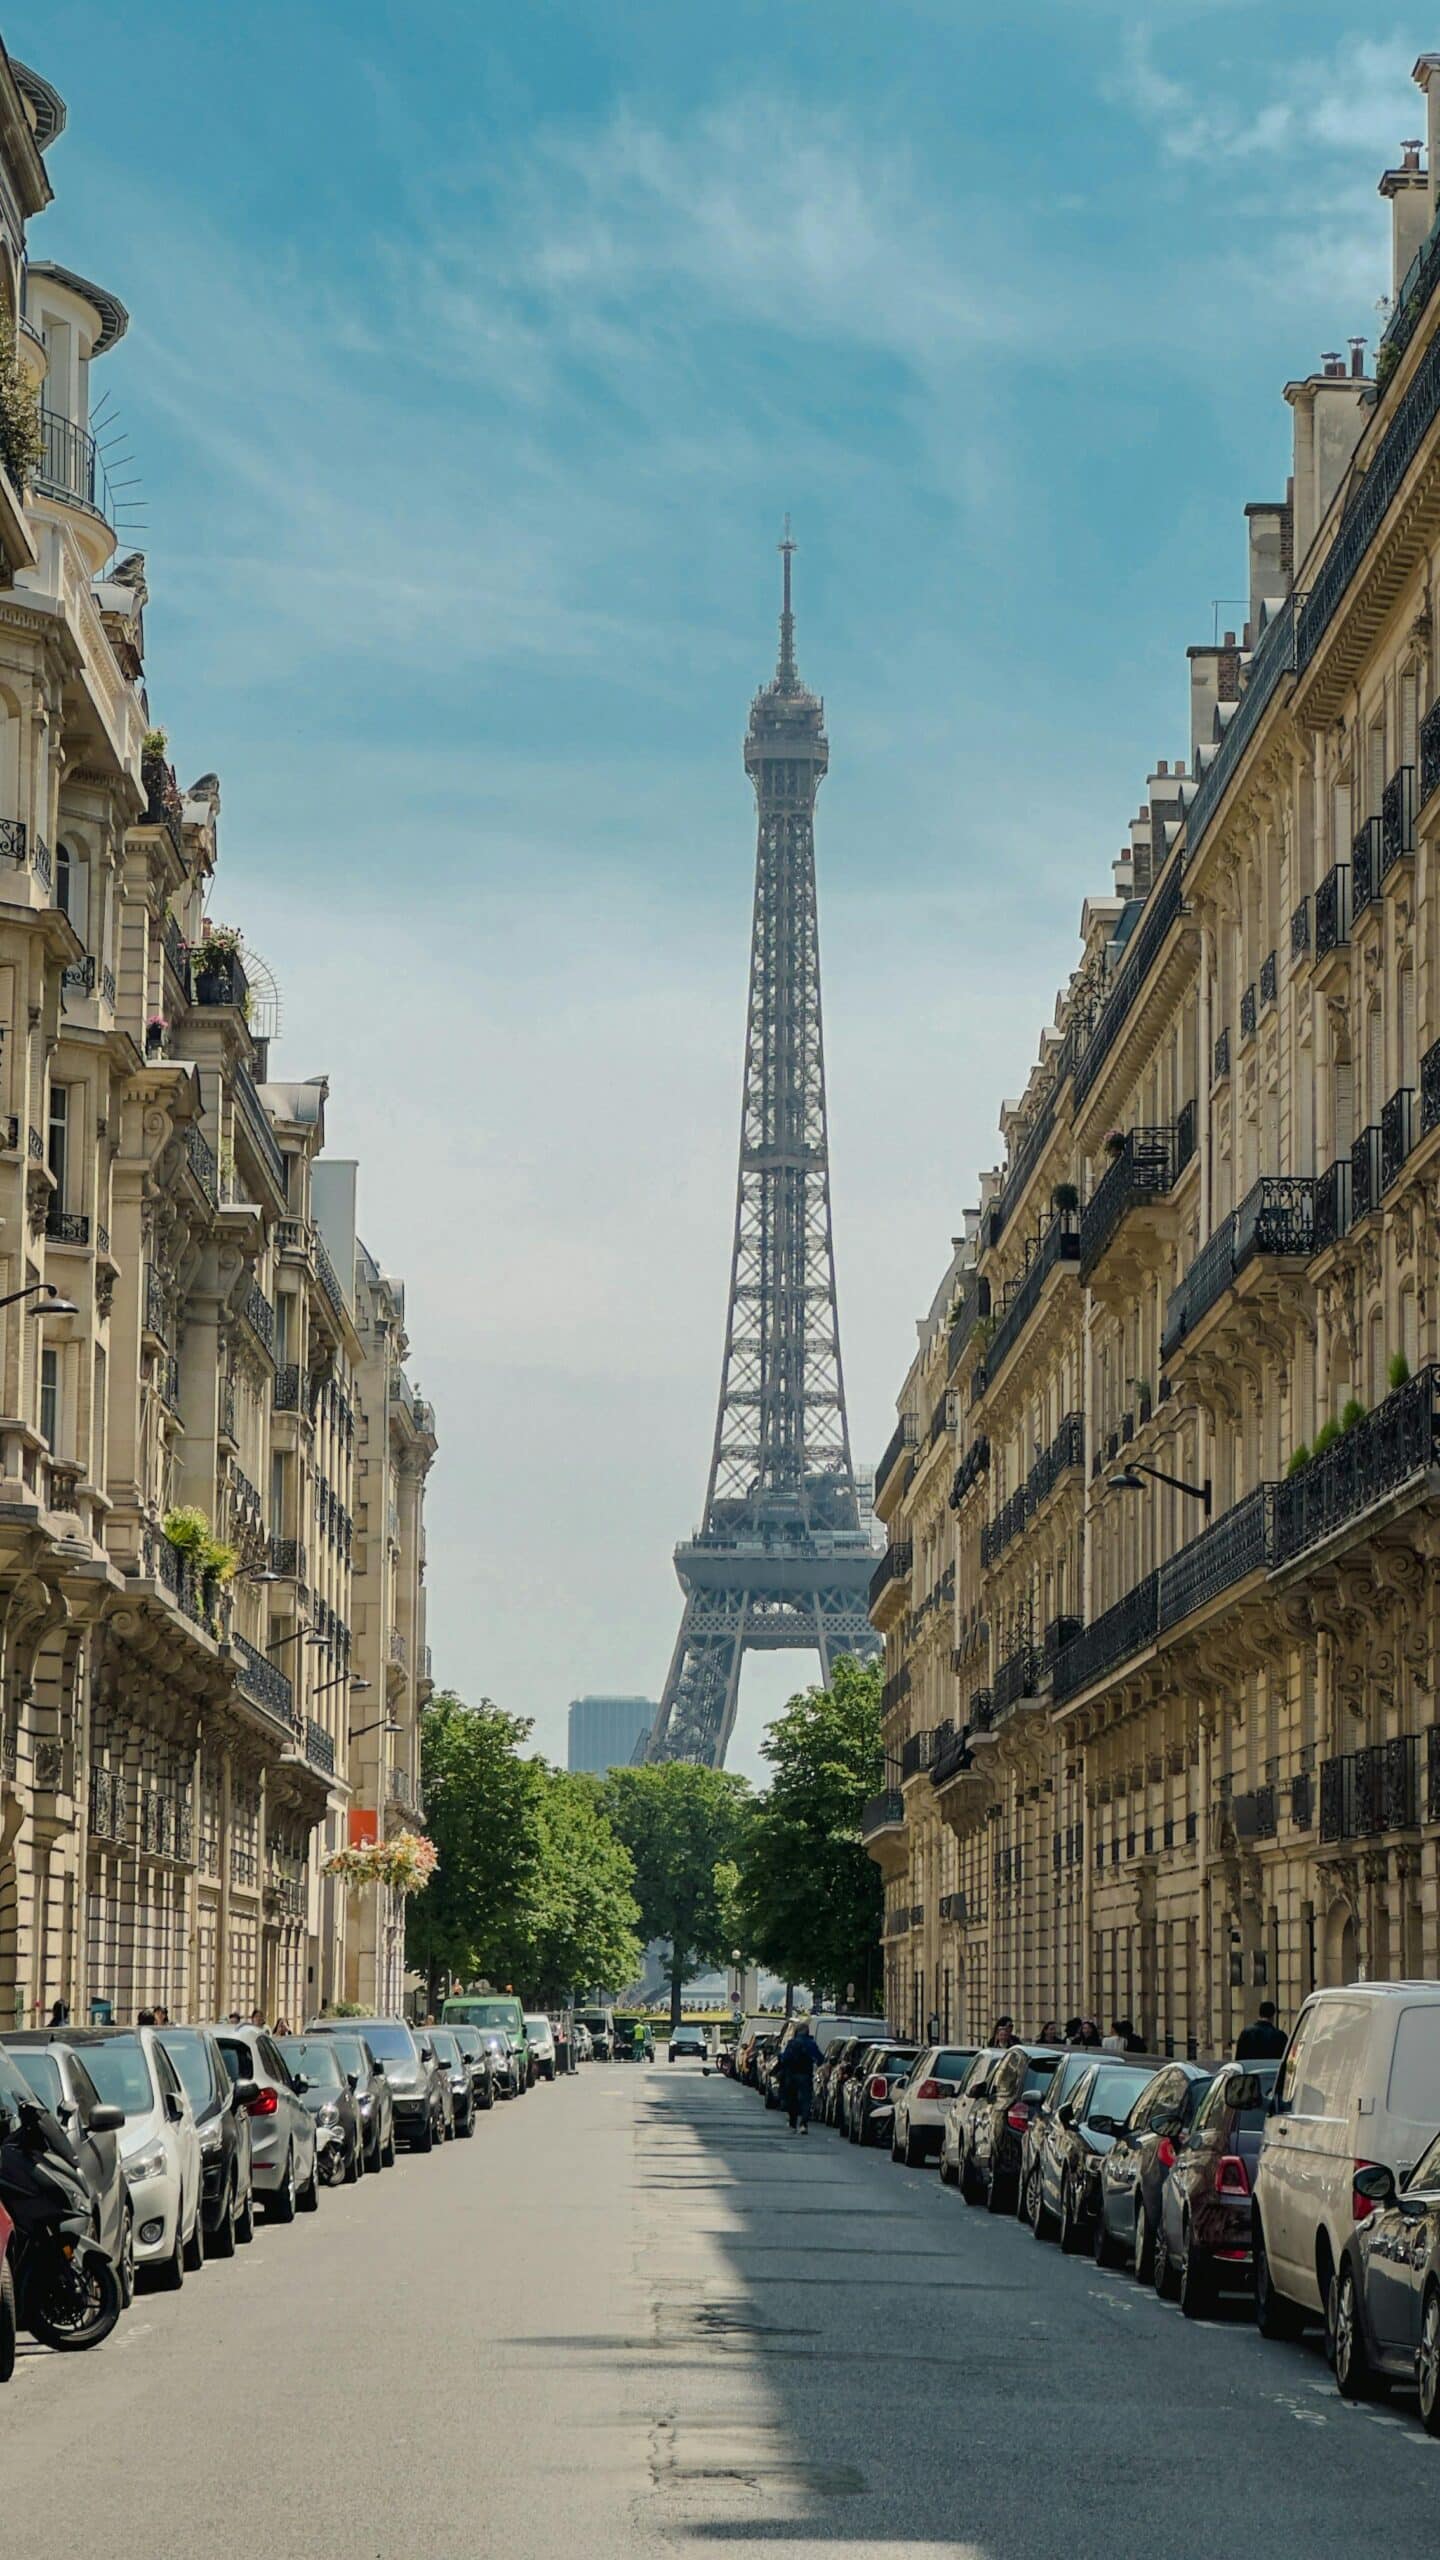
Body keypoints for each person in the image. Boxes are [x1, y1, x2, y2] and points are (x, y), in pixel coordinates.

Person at [776, 2024, 823, 2133]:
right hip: (805, 2075)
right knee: (805, 2100)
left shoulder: (792, 2043)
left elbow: (784, 2058)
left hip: (791, 2075)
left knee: (792, 2098)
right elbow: (820, 2059)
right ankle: (803, 2124)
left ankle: (793, 2122)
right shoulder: (811, 2044)